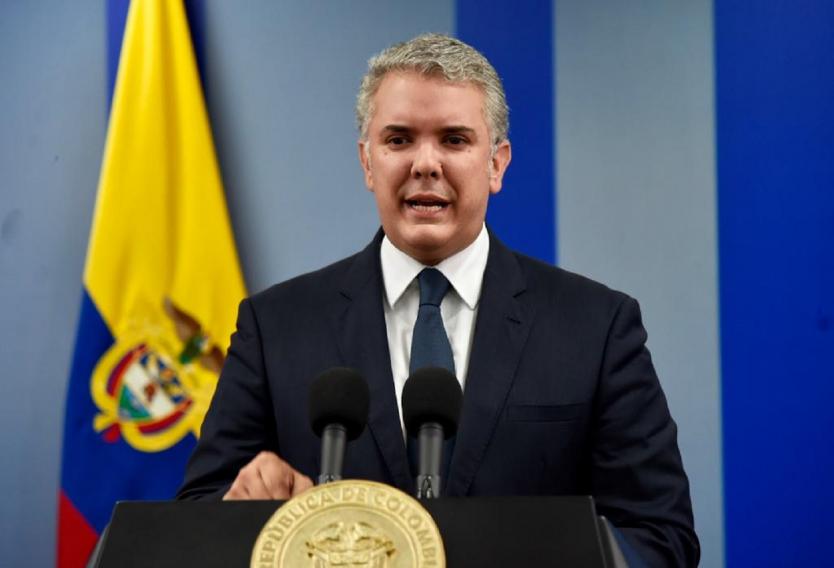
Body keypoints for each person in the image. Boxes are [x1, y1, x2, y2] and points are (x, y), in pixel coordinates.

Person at [178, 33, 699, 566]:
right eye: (399, 139)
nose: (425, 164)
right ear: (367, 162)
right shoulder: (276, 327)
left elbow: (659, 538)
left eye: (454, 140)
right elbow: (193, 523)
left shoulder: (596, 327)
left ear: (496, 164)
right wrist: (241, 513)